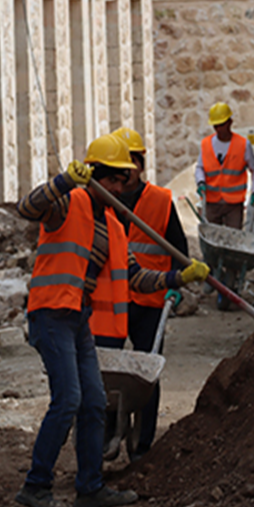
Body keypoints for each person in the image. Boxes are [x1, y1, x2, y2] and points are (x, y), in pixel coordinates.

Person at [15, 133, 210, 507]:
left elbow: (138, 278)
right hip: (50, 315)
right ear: (95, 176)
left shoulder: (115, 227)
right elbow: (27, 207)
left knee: (95, 402)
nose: (122, 187)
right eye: (115, 179)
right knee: (69, 399)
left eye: (125, 180)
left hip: (78, 321)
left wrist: (179, 279)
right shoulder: (67, 204)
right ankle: (36, 485)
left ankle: (90, 487)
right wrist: (64, 180)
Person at [90, 127, 190, 461]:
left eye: (130, 162)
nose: (124, 172)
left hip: (149, 300)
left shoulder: (161, 200)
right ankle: (105, 436)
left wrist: (178, 283)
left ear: (139, 164)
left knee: (146, 373)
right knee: (105, 373)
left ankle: (142, 446)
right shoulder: (105, 199)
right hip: (113, 303)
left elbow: (178, 248)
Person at [195, 101, 254, 229]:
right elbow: (200, 168)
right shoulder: (206, 144)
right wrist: (200, 182)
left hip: (234, 204)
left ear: (230, 123)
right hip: (212, 203)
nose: (219, 129)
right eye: (216, 126)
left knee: (234, 239)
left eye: (222, 125)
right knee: (213, 237)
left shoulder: (243, 145)